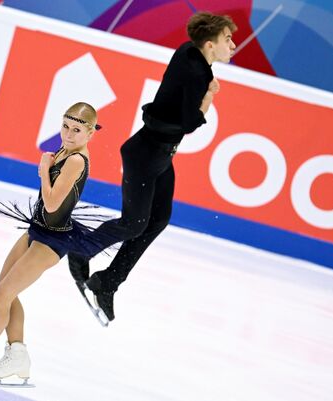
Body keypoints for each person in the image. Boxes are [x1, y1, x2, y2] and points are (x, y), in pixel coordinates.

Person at [68, 12, 237, 322]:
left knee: (158, 219)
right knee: (135, 223)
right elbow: (189, 123)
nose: (234, 45)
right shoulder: (197, 73)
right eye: (228, 39)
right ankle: (82, 247)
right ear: (211, 44)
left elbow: (190, 73)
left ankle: (108, 282)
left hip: (159, 156)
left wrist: (205, 80)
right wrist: (208, 96)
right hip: (146, 155)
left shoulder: (189, 52)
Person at [0, 102, 103, 385]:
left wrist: (44, 169)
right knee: (4, 291)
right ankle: (17, 353)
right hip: (37, 229)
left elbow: (54, 201)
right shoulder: (65, 151)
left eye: (77, 130)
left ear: (91, 132)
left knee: (1, 297)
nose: (68, 135)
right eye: (65, 127)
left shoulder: (77, 160)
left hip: (53, 239)